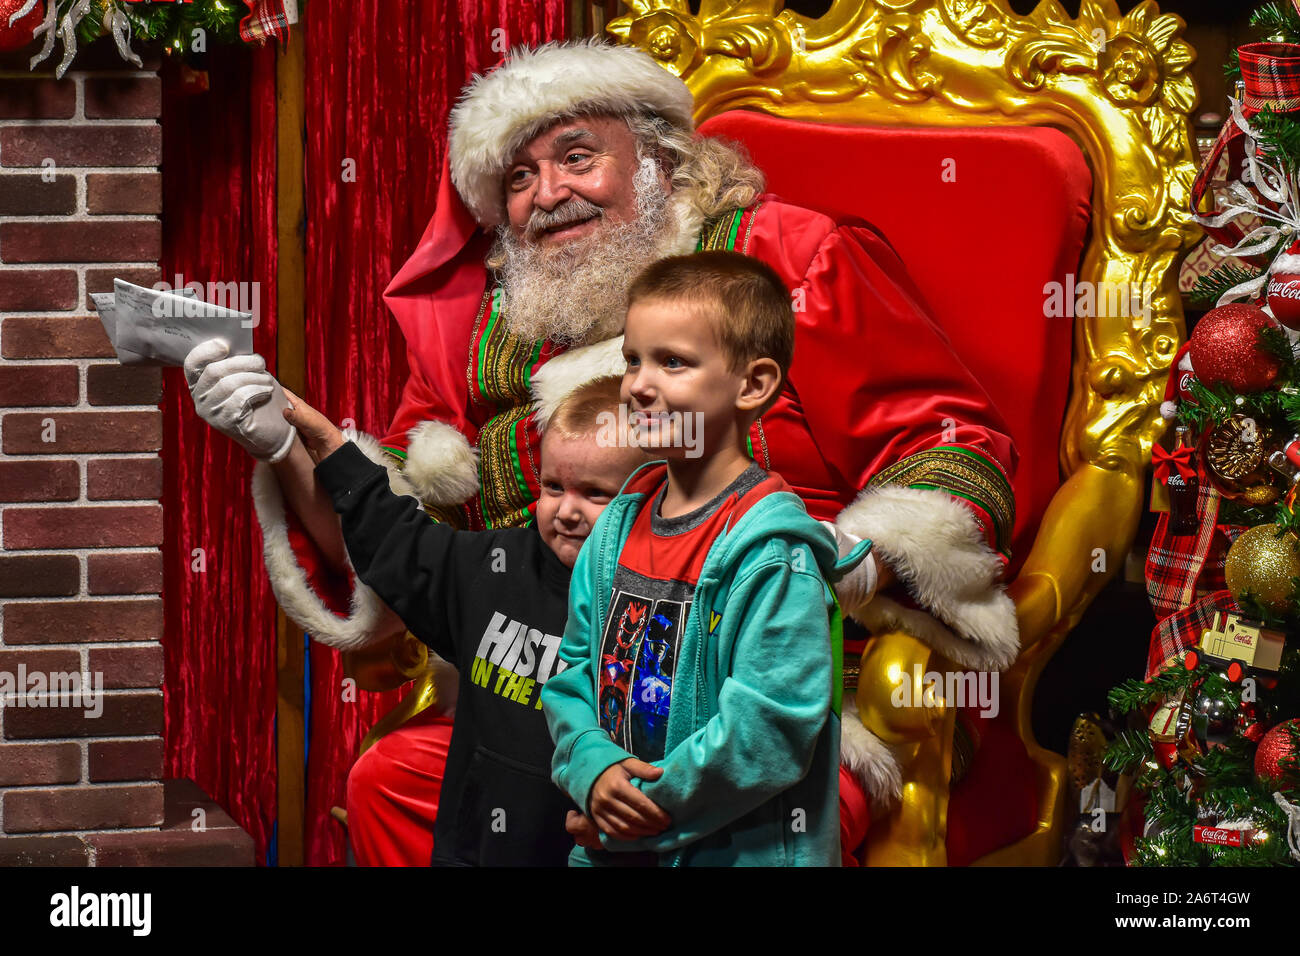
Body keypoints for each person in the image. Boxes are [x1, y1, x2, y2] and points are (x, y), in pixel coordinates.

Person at [184, 39, 1018, 863]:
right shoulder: (480, 330)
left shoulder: (784, 260)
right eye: (518, 178)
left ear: (658, 160)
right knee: (394, 782)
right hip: (558, 683)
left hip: (756, 686)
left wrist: (846, 562)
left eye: (577, 157)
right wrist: (292, 443)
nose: (549, 194)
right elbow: (402, 550)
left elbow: (951, 446)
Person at [543, 251, 871, 866]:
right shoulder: (616, 526)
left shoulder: (771, 555)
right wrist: (592, 769)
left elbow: (769, 730)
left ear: (752, 385)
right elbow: (573, 670)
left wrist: (637, 813)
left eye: (673, 362)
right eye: (633, 359)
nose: (639, 384)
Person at [283, 375, 645, 865]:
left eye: (595, 494)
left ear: (644, 497)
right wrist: (327, 442)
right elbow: (398, 542)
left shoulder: (652, 608)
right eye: (554, 486)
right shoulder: (495, 566)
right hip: (472, 849)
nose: (566, 511)